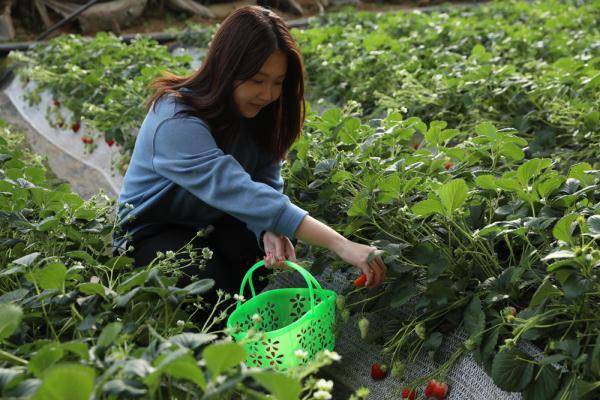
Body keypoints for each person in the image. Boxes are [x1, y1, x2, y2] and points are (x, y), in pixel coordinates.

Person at [114, 5, 387, 313]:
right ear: (226, 68)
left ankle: (257, 342)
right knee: (210, 285)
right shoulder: (175, 119)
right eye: (257, 80)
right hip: (151, 232)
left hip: (213, 218)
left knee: (262, 261)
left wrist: (266, 227)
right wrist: (340, 243)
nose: (268, 93)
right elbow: (237, 190)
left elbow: (264, 183)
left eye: (277, 81)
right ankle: (215, 349)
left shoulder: (261, 114)